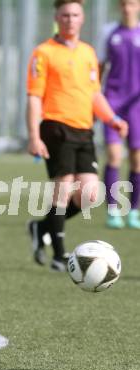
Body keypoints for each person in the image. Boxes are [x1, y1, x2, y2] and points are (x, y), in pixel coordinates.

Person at [26, 0, 128, 272]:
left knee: (90, 194)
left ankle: (40, 227)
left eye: (75, 15)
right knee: (64, 187)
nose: (70, 19)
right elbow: (35, 97)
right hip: (56, 127)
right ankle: (59, 255)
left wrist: (112, 119)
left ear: (82, 19)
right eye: (65, 15)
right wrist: (34, 136)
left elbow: (95, 94)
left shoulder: (88, 53)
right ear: (57, 18)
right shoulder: (43, 52)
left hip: (84, 130)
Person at [99, 0, 140, 229]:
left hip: (137, 106)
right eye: (123, 3)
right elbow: (99, 67)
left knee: (137, 160)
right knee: (114, 157)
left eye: (132, 3)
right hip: (112, 103)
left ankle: (134, 211)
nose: (127, 8)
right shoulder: (109, 32)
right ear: (119, 6)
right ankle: (113, 210)